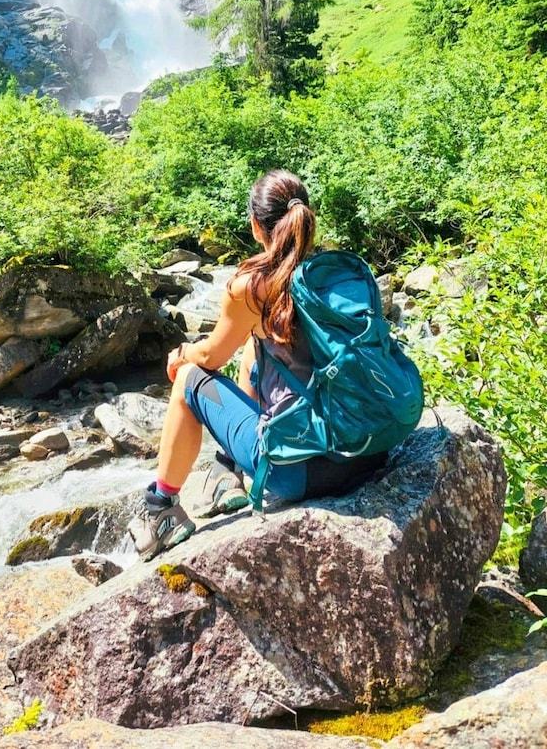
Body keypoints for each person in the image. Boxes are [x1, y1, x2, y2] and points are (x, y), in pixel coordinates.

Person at [128, 169, 388, 560]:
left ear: (255, 225)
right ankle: (225, 473)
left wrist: (182, 355)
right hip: (372, 449)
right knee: (256, 346)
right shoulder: (336, 273)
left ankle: (161, 511)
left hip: (304, 474)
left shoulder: (253, 285)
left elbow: (210, 358)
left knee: (188, 381)